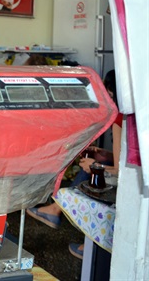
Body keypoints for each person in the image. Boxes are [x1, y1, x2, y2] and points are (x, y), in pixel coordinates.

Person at [27, 69, 122, 259]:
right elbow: (127, 159)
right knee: (88, 167)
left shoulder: (120, 119)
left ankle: (93, 245)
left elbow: (121, 170)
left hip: (127, 181)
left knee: (89, 173)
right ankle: (57, 210)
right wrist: (103, 155)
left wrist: (97, 165)